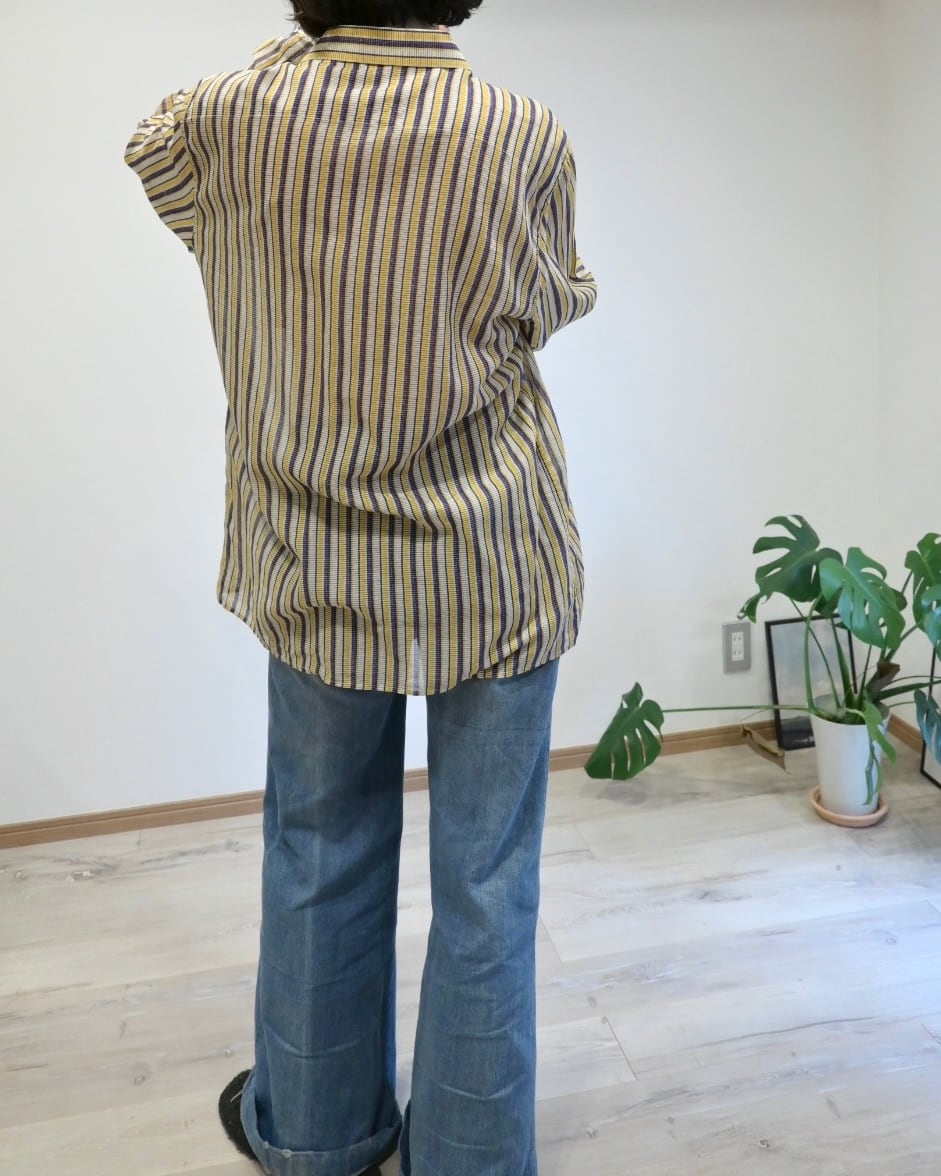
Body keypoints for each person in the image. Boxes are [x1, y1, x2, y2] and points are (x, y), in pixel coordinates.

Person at [125, 1, 596, 1172]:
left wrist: (305, 46)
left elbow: (153, 147)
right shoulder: (519, 131)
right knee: (486, 884)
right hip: (491, 557)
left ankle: (316, 1134)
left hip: (314, 556)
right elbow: (554, 299)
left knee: (318, 852)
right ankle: (469, 1157)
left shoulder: (232, 117)